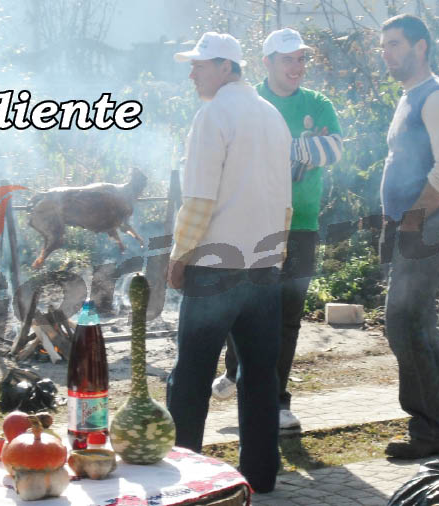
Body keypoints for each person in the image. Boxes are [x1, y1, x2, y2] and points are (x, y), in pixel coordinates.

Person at [166, 32, 292, 493]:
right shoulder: (272, 115)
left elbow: (199, 199)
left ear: (226, 67)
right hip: (263, 267)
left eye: (199, 65)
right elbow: (285, 200)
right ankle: (261, 475)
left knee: (192, 376)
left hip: (216, 268)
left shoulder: (213, 114)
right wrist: (278, 253)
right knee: (260, 377)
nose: (191, 73)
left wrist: (180, 255)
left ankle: (182, 479)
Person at [211, 28, 344, 432]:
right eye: (288, 59)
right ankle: (235, 370)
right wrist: (303, 147)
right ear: (266, 62)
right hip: (252, 224)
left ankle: (277, 402)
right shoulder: (249, 102)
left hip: (301, 226)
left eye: (301, 59)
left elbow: (333, 150)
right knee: (244, 310)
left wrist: (281, 149)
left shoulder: (318, 104)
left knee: (287, 318)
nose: (297, 67)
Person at [378, 14, 439, 459]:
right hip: (413, 225)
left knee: (403, 323)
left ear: (421, 46)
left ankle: (429, 430)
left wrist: (410, 221)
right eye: (384, 46)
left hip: (428, 226)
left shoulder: (438, 97)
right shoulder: (410, 96)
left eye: (395, 44)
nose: (387, 54)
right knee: (419, 325)